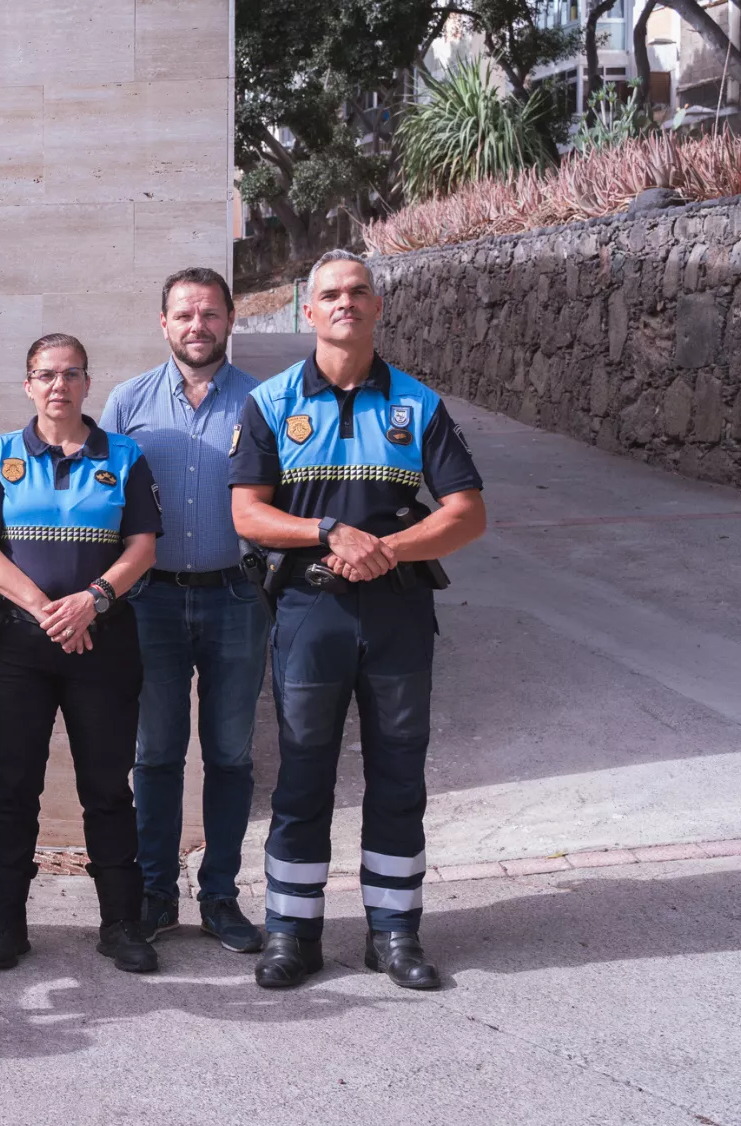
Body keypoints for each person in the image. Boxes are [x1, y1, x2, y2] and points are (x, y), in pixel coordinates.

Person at [230, 250, 485, 991]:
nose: (345, 303)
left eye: (359, 293)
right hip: (311, 611)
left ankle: (395, 932)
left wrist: (388, 549)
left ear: (378, 308)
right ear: (307, 312)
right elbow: (247, 512)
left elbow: (468, 513)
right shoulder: (273, 404)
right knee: (303, 774)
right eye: (330, 294)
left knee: (399, 772)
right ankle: (291, 934)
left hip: (399, 612)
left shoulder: (418, 406)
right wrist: (328, 535)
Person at [0, 332, 162, 974]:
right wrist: (49, 610)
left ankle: (122, 924)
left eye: (71, 373)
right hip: (18, 647)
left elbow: (143, 546)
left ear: (87, 383)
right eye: (46, 374)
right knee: (13, 788)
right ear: (28, 383)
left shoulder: (125, 456)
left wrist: (91, 600)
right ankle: (6, 926)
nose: (58, 385)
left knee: (107, 788)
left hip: (103, 641)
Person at [98, 268, 269, 954]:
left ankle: (220, 896)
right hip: (151, 602)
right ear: (163, 324)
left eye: (209, 313)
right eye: (183, 314)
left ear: (230, 320)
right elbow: (100, 498)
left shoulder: (264, 400)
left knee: (230, 755)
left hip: (237, 596)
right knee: (158, 754)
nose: (197, 325)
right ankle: (156, 893)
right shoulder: (126, 401)